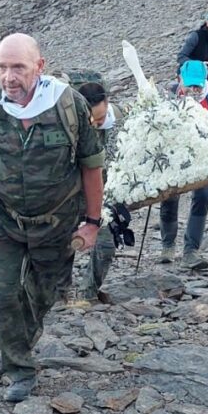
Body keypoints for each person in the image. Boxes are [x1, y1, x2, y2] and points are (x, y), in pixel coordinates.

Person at [0, 33, 105, 402]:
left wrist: (92, 222)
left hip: (56, 221)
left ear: (39, 66)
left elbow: (91, 166)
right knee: (2, 294)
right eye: (2, 68)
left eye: (18, 67)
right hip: (2, 218)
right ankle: (18, 367)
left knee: (43, 294)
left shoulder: (69, 105)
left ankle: (20, 342)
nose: (9, 76)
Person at [159, 60, 208, 270]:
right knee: (169, 196)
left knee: (202, 197)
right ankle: (168, 246)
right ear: (179, 80)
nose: (194, 90)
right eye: (190, 85)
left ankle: (190, 250)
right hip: (174, 153)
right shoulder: (170, 94)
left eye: (198, 86)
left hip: (203, 154)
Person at [76, 82, 124, 300]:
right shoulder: (73, 124)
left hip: (110, 197)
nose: (97, 124)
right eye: (92, 121)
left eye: (101, 118)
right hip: (76, 193)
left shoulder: (124, 119)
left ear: (107, 103)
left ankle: (88, 291)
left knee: (105, 245)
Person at [177, 12, 208, 87]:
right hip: (189, 73)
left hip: (205, 72)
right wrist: (199, 64)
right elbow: (181, 57)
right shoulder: (196, 36)